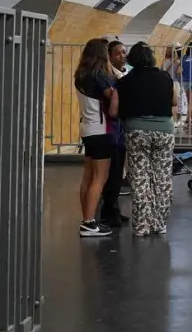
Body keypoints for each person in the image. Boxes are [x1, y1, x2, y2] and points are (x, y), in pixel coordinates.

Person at [115, 42, 179, 237]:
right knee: (161, 177)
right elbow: (174, 102)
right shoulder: (165, 77)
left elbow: (117, 108)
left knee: (140, 177)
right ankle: (159, 223)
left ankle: (142, 225)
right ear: (151, 58)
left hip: (136, 131)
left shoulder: (125, 81)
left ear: (131, 59)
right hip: (163, 131)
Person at [74, 38, 119, 238]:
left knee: (88, 176)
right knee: (100, 178)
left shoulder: (81, 75)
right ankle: (89, 223)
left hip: (87, 128)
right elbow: (112, 95)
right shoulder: (99, 75)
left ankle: (87, 218)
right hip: (100, 129)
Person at [98, 40, 130, 228]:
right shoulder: (106, 77)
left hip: (118, 129)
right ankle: (108, 211)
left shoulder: (116, 76)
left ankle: (114, 209)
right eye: (118, 53)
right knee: (112, 172)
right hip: (110, 129)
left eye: (124, 52)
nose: (123, 56)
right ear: (109, 56)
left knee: (117, 173)